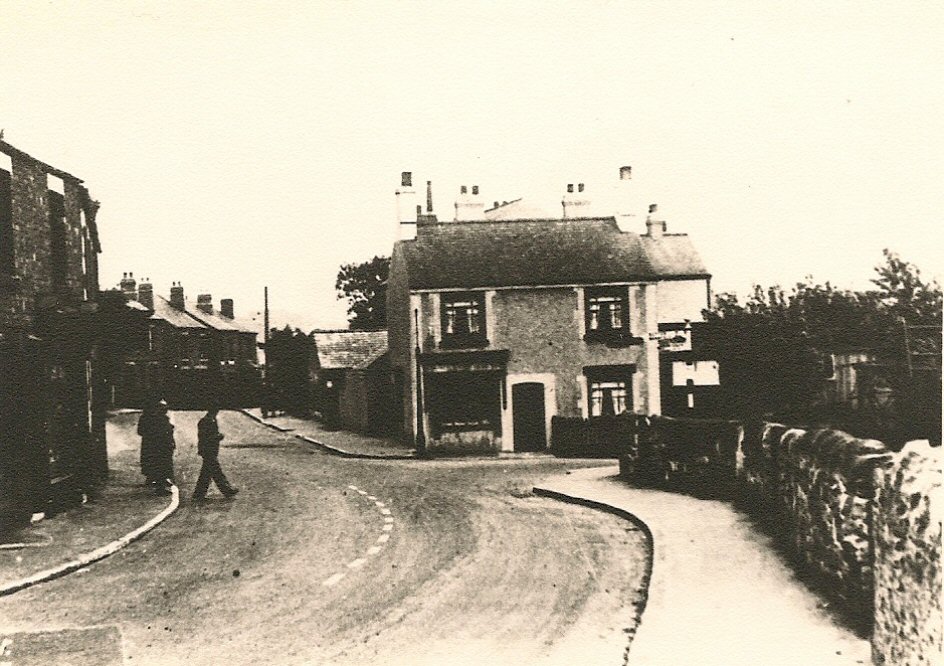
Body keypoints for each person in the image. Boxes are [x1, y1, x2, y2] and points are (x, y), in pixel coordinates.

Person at [193, 406, 239, 501]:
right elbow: (206, 437)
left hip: (209, 450)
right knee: (216, 471)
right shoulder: (207, 421)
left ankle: (198, 494)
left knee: (207, 473)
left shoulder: (209, 420)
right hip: (208, 450)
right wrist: (218, 437)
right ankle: (227, 490)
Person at [138, 399, 176, 495]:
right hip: (158, 445)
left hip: (160, 445)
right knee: (159, 464)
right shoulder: (156, 419)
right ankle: (159, 486)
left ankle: (159, 481)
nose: (165, 410)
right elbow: (142, 431)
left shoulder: (162, 418)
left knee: (160, 464)